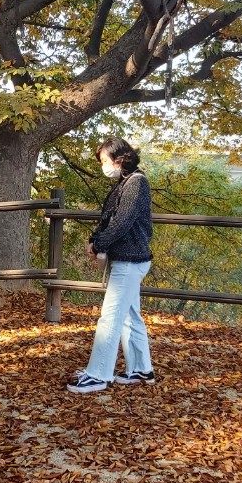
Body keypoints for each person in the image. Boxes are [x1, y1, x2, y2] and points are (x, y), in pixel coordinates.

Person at [67, 136, 155, 394]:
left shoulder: (136, 183)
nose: (103, 165)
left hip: (130, 261)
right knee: (129, 316)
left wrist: (98, 244)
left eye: (105, 160)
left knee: (110, 317)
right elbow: (110, 218)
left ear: (119, 158)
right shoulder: (127, 182)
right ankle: (141, 369)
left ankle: (98, 375)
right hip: (129, 260)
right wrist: (96, 240)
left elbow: (122, 222)